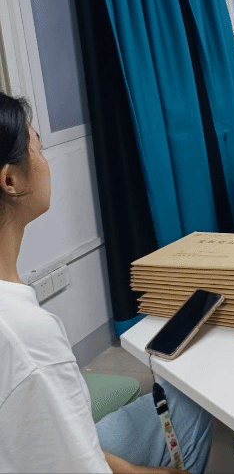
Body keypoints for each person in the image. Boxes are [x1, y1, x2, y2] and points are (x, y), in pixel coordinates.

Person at [0, 94, 213, 473]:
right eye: (39, 149)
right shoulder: (25, 334)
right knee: (192, 402)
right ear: (10, 180)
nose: (46, 162)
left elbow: (66, 444)